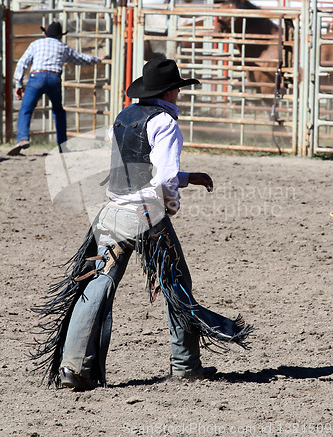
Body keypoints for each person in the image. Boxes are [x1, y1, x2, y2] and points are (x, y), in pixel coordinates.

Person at [32, 59, 253, 390]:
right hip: (147, 216)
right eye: (177, 87)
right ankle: (185, 365)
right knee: (176, 284)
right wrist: (172, 202)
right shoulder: (165, 123)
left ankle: (72, 368)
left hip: (112, 214)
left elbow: (138, 164)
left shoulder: (123, 118)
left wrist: (187, 177)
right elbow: (162, 177)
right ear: (169, 91)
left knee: (97, 284)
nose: (179, 92)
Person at [8, 21, 105, 156]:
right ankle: (62, 145)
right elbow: (80, 58)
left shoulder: (36, 44)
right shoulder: (63, 47)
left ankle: (23, 138)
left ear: (45, 34)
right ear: (60, 36)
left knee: (26, 108)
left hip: (37, 77)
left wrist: (18, 84)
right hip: (54, 78)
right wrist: (96, 59)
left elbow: (22, 63)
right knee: (58, 111)